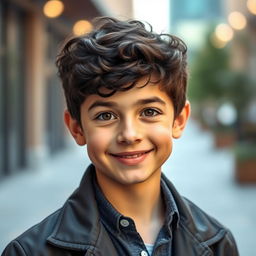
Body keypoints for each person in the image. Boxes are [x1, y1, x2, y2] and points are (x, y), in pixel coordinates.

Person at [2, 16, 239, 256]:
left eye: (149, 112)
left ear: (179, 120)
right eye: (106, 116)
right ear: (77, 128)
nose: (129, 134)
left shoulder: (217, 243)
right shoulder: (28, 252)